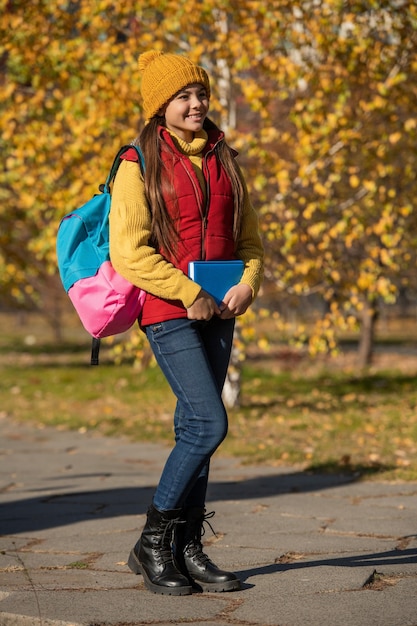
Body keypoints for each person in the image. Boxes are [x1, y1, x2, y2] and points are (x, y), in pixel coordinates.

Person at [109, 50, 264, 596]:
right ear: (161, 107)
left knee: (190, 431)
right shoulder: (138, 162)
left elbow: (250, 241)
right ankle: (150, 544)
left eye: (200, 94)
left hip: (221, 311)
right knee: (208, 424)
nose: (197, 103)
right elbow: (129, 253)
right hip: (170, 310)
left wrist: (249, 282)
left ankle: (186, 547)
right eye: (184, 97)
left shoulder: (225, 157)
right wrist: (188, 291)